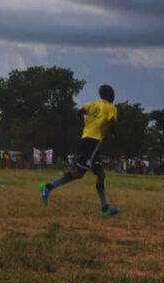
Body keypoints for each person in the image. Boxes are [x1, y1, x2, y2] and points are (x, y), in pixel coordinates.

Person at [39, 85, 120, 218]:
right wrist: (115, 135)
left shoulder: (93, 104)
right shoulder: (112, 107)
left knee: (100, 173)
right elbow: (112, 122)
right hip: (94, 141)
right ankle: (47, 187)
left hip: (87, 138)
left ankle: (105, 209)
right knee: (78, 173)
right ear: (109, 95)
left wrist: (84, 127)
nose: (114, 96)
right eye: (113, 94)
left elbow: (79, 112)